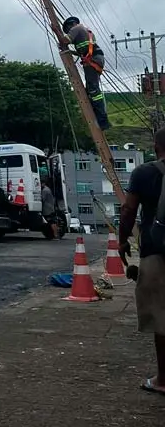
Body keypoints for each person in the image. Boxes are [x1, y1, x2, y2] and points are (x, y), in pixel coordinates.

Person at [118, 126, 165, 395]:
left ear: (156, 147)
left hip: (156, 252)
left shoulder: (144, 172)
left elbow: (128, 210)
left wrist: (123, 240)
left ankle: (163, 379)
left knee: (161, 316)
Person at [61, 16, 110, 130]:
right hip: (95, 58)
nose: (69, 32)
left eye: (67, 30)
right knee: (91, 89)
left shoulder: (76, 28)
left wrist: (56, 30)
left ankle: (102, 120)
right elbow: (86, 49)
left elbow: (64, 41)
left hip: (92, 60)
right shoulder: (85, 30)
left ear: (70, 25)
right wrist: (72, 52)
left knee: (93, 90)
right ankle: (97, 115)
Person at [40, 173, 59, 239]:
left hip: (48, 209)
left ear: (43, 183)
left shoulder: (45, 190)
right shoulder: (48, 189)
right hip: (50, 208)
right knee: (52, 222)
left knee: (52, 222)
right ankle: (55, 235)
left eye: (41, 183)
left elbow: (42, 199)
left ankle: (55, 235)